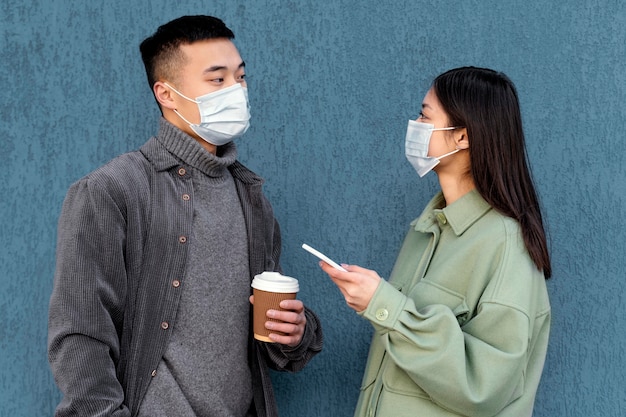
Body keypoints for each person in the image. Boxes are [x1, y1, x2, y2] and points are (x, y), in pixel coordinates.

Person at [48, 15, 323, 417]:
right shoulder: (111, 190)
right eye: (217, 80)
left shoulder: (251, 197)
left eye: (240, 77)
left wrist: (295, 334)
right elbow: (79, 334)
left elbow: (270, 340)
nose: (236, 91)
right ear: (167, 94)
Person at [319, 66, 551, 416]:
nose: (415, 125)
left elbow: (484, 387)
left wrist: (385, 306)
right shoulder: (425, 229)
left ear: (462, 137)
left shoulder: (505, 243)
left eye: (424, 115)